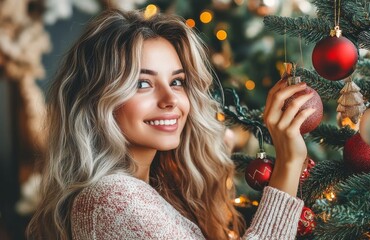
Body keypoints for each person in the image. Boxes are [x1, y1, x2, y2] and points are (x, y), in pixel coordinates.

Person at [27, 9, 316, 240]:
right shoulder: (111, 198)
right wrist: (290, 162)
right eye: (142, 83)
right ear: (96, 98)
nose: (170, 100)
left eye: (177, 82)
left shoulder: (153, 190)